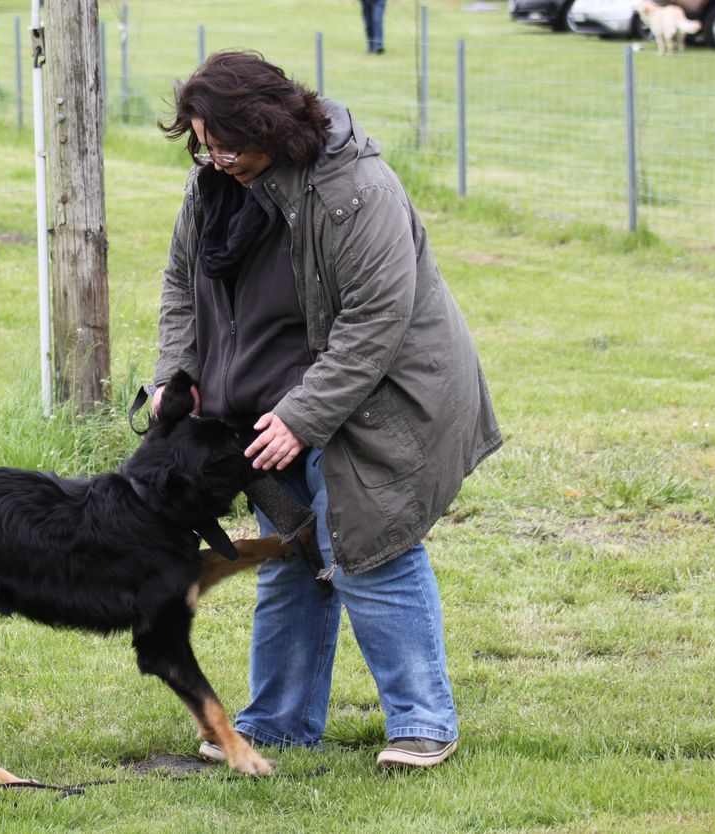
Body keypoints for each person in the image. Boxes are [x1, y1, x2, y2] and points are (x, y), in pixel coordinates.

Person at [150, 51, 501, 770]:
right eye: (204, 146)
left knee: (370, 550)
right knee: (288, 555)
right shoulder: (214, 184)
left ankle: (423, 723)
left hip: (377, 400)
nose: (215, 160)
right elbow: (181, 284)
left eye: (226, 145)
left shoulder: (357, 189)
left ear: (269, 127)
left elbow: (377, 321)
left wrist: (303, 417)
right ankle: (278, 723)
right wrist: (176, 378)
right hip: (270, 402)